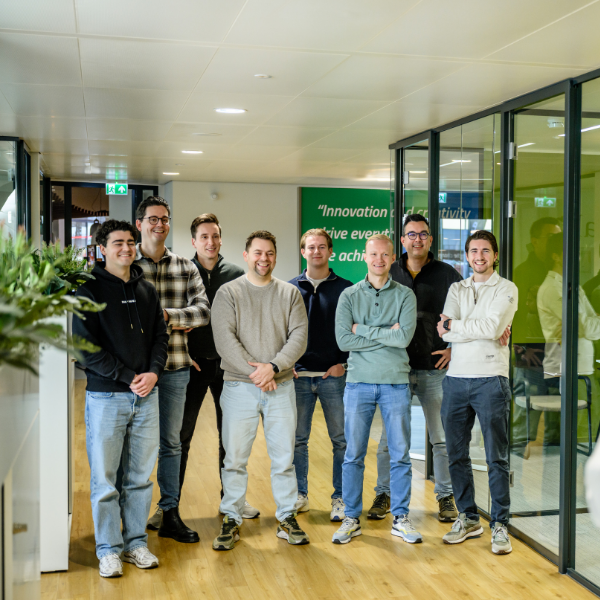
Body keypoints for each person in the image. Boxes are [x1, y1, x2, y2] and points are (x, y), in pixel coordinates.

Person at [72, 220, 169, 578]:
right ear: (102, 248)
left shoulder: (147, 289)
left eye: (130, 242)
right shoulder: (88, 290)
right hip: (107, 397)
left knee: (140, 477)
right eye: (118, 243)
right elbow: (84, 349)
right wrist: (129, 377)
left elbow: (161, 337)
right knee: (105, 479)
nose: (126, 248)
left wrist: (153, 372)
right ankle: (109, 550)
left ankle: (135, 544)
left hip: (146, 396)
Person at [211, 230, 309, 550]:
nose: (263, 259)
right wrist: (259, 373)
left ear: (275, 257)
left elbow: (299, 336)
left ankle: (286, 516)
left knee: (284, 459)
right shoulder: (228, 293)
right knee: (234, 459)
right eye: (257, 252)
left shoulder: (289, 293)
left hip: (281, 386)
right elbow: (225, 340)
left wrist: (274, 368)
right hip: (239, 387)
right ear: (246, 255)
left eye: (269, 253)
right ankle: (231, 516)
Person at [368, 214, 461, 523]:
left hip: (435, 370)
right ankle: (384, 493)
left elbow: (465, 315)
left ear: (430, 239)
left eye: (423, 234)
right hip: (397, 370)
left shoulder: (448, 274)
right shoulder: (389, 271)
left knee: (441, 439)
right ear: (402, 240)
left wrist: (454, 348)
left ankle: (446, 496)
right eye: (411, 234)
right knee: (389, 439)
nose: (417, 239)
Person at [333, 234, 418, 545]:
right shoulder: (349, 296)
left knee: (400, 455)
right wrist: (386, 334)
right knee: (353, 454)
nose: (379, 260)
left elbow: (404, 338)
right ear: (364, 257)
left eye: (385, 255)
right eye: (373, 254)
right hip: (358, 383)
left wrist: (363, 330)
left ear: (393, 257)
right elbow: (344, 341)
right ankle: (351, 518)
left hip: (396, 382)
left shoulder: (406, 295)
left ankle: (401, 517)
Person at [135, 196, 211, 543]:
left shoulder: (185, 266)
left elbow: (203, 311)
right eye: (153, 219)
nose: (159, 224)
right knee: (136, 446)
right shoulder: (127, 264)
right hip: (137, 373)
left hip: (176, 367)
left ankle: (170, 513)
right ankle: (133, 518)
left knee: (171, 443)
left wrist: (166, 316)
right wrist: (177, 320)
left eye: (164, 219)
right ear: (140, 224)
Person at [438, 230, 518, 555]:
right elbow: (443, 332)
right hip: (456, 380)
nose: (479, 256)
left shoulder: (506, 288)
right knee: (456, 455)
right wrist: (476, 329)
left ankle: (500, 525)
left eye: (485, 250)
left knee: (496, 457)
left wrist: (456, 326)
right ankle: (469, 518)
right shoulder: (456, 288)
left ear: (495, 255)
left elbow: (491, 328)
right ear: (467, 255)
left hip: (491, 380)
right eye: (473, 250)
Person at [180, 213, 259, 519]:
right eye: (204, 237)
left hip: (229, 369)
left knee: (231, 438)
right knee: (180, 438)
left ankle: (233, 501)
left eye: (214, 236)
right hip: (191, 366)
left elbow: (248, 322)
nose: (210, 242)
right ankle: (169, 506)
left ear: (221, 239)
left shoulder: (237, 274)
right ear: (194, 241)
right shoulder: (183, 272)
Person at [289, 228, 353, 521]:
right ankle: (299, 495)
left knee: (341, 441)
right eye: (311, 247)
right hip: (298, 377)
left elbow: (354, 331)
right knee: (297, 440)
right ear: (303, 252)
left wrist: (344, 364)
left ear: (330, 251)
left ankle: (341, 498)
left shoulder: (346, 289)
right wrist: (285, 364)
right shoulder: (290, 289)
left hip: (333, 376)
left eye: (322, 247)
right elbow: (282, 331)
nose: (316, 251)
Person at [512, 217, 561, 452]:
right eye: (551, 237)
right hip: (530, 349)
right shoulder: (522, 272)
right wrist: (520, 350)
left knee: (556, 405)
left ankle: (556, 456)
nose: (556, 241)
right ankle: (517, 453)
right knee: (527, 404)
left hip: (556, 349)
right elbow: (516, 316)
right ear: (535, 241)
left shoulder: (560, 271)